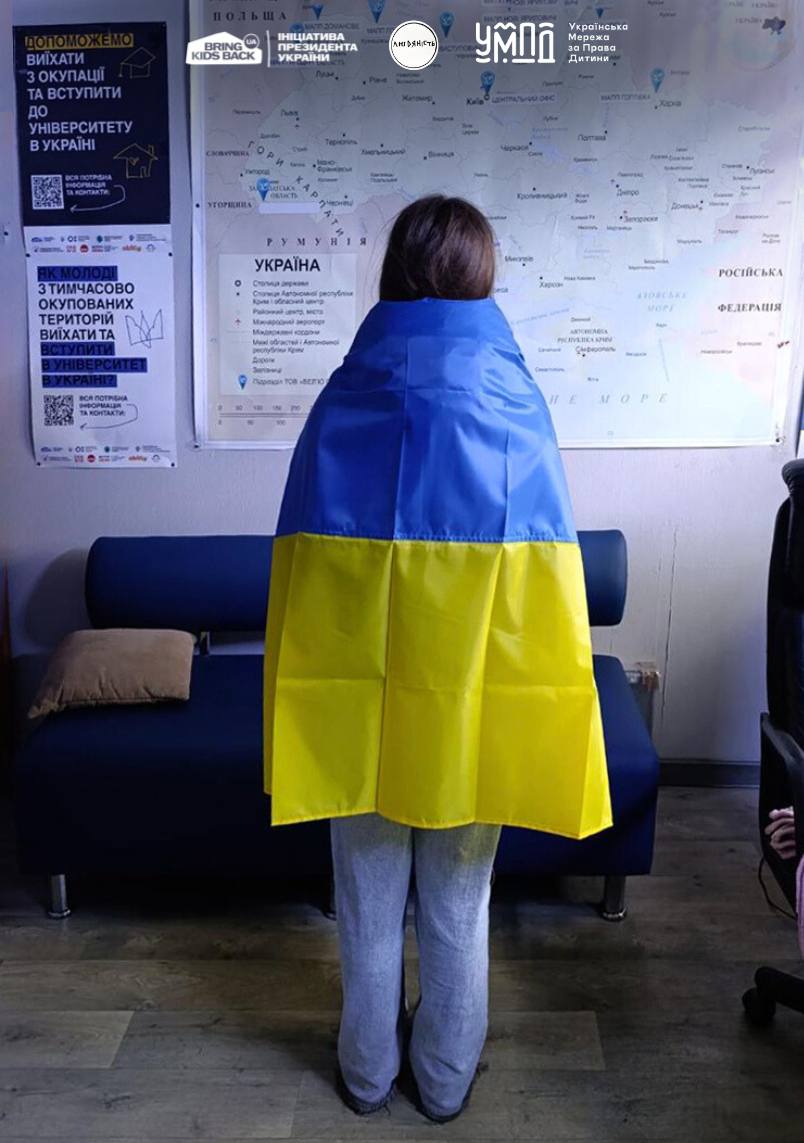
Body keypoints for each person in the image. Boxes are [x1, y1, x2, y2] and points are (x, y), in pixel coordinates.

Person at [263, 195, 612, 1122]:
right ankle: (447, 1079)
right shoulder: (515, 403)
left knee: (367, 900)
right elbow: (548, 582)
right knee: (459, 900)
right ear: (479, 272)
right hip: (469, 708)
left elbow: (301, 566)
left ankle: (367, 1072)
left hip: (357, 709)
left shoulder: (344, 395)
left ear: (397, 268)